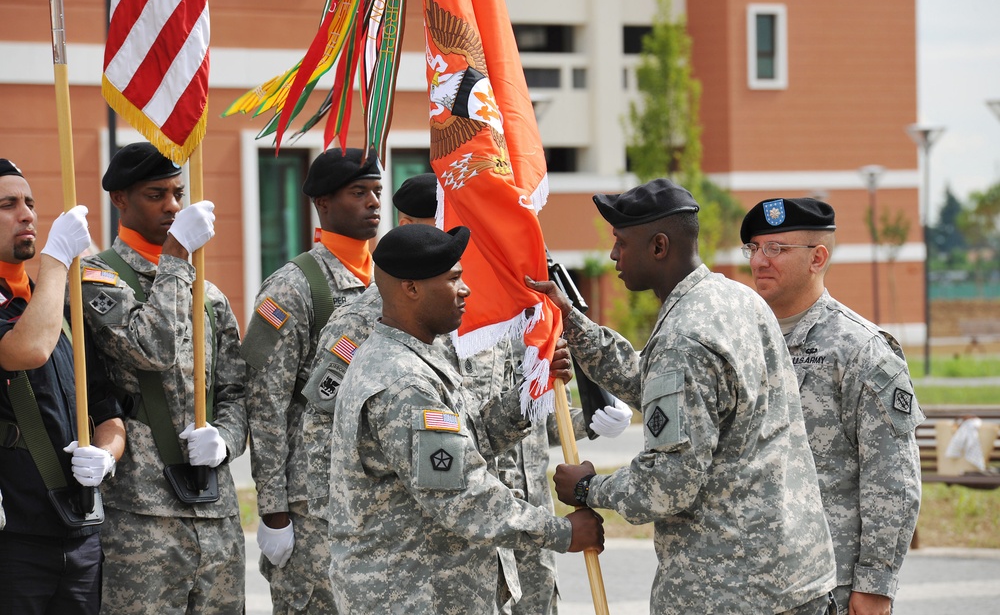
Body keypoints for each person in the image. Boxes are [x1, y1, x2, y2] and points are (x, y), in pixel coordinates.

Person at [304, 173, 628, 612]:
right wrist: (562, 533)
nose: (467, 288)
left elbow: (466, 434)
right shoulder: (402, 379)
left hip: (447, 582)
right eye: (454, 279)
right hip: (412, 591)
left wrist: (528, 395)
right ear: (412, 288)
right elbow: (461, 493)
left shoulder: (415, 353)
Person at [527, 177, 837, 615]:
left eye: (621, 242)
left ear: (658, 246)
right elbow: (659, 388)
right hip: (792, 575)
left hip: (732, 589)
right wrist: (573, 324)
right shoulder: (735, 300)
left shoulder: (684, 338)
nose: (613, 255)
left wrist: (589, 488)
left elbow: (668, 485)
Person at [80, 142, 248, 614]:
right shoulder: (96, 278)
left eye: (178, 193)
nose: (173, 206)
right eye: (157, 195)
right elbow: (152, 350)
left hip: (214, 507)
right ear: (120, 200)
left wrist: (226, 439)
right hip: (141, 511)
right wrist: (176, 254)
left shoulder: (206, 293)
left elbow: (235, 390)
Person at [740, 197, 923, 615]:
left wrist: (875, 584)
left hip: (828, 585)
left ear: (817, 258)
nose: (759, 261)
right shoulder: (742, 340)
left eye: (776, 249)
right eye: (754, 248)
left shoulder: (861, 349)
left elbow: (892, 476)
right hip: (748, 581)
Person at [243, 147, 381, 613]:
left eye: (377, 192)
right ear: (323, 204)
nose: (373, 203)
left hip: (375, 495)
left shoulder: (391, 282)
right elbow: (265, 402)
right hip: (313, 502)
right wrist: (274, 510)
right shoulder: (294, 286)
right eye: (358, 192)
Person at [0, 158, 126, 614]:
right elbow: (25, 349)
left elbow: (110, 414)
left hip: (79, 533)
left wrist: (106, 457)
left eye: (30, 203)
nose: (27, 214)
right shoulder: (42, 298)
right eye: (8, 204)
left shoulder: (60, 308)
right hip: (13, 538)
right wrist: (56, 260)